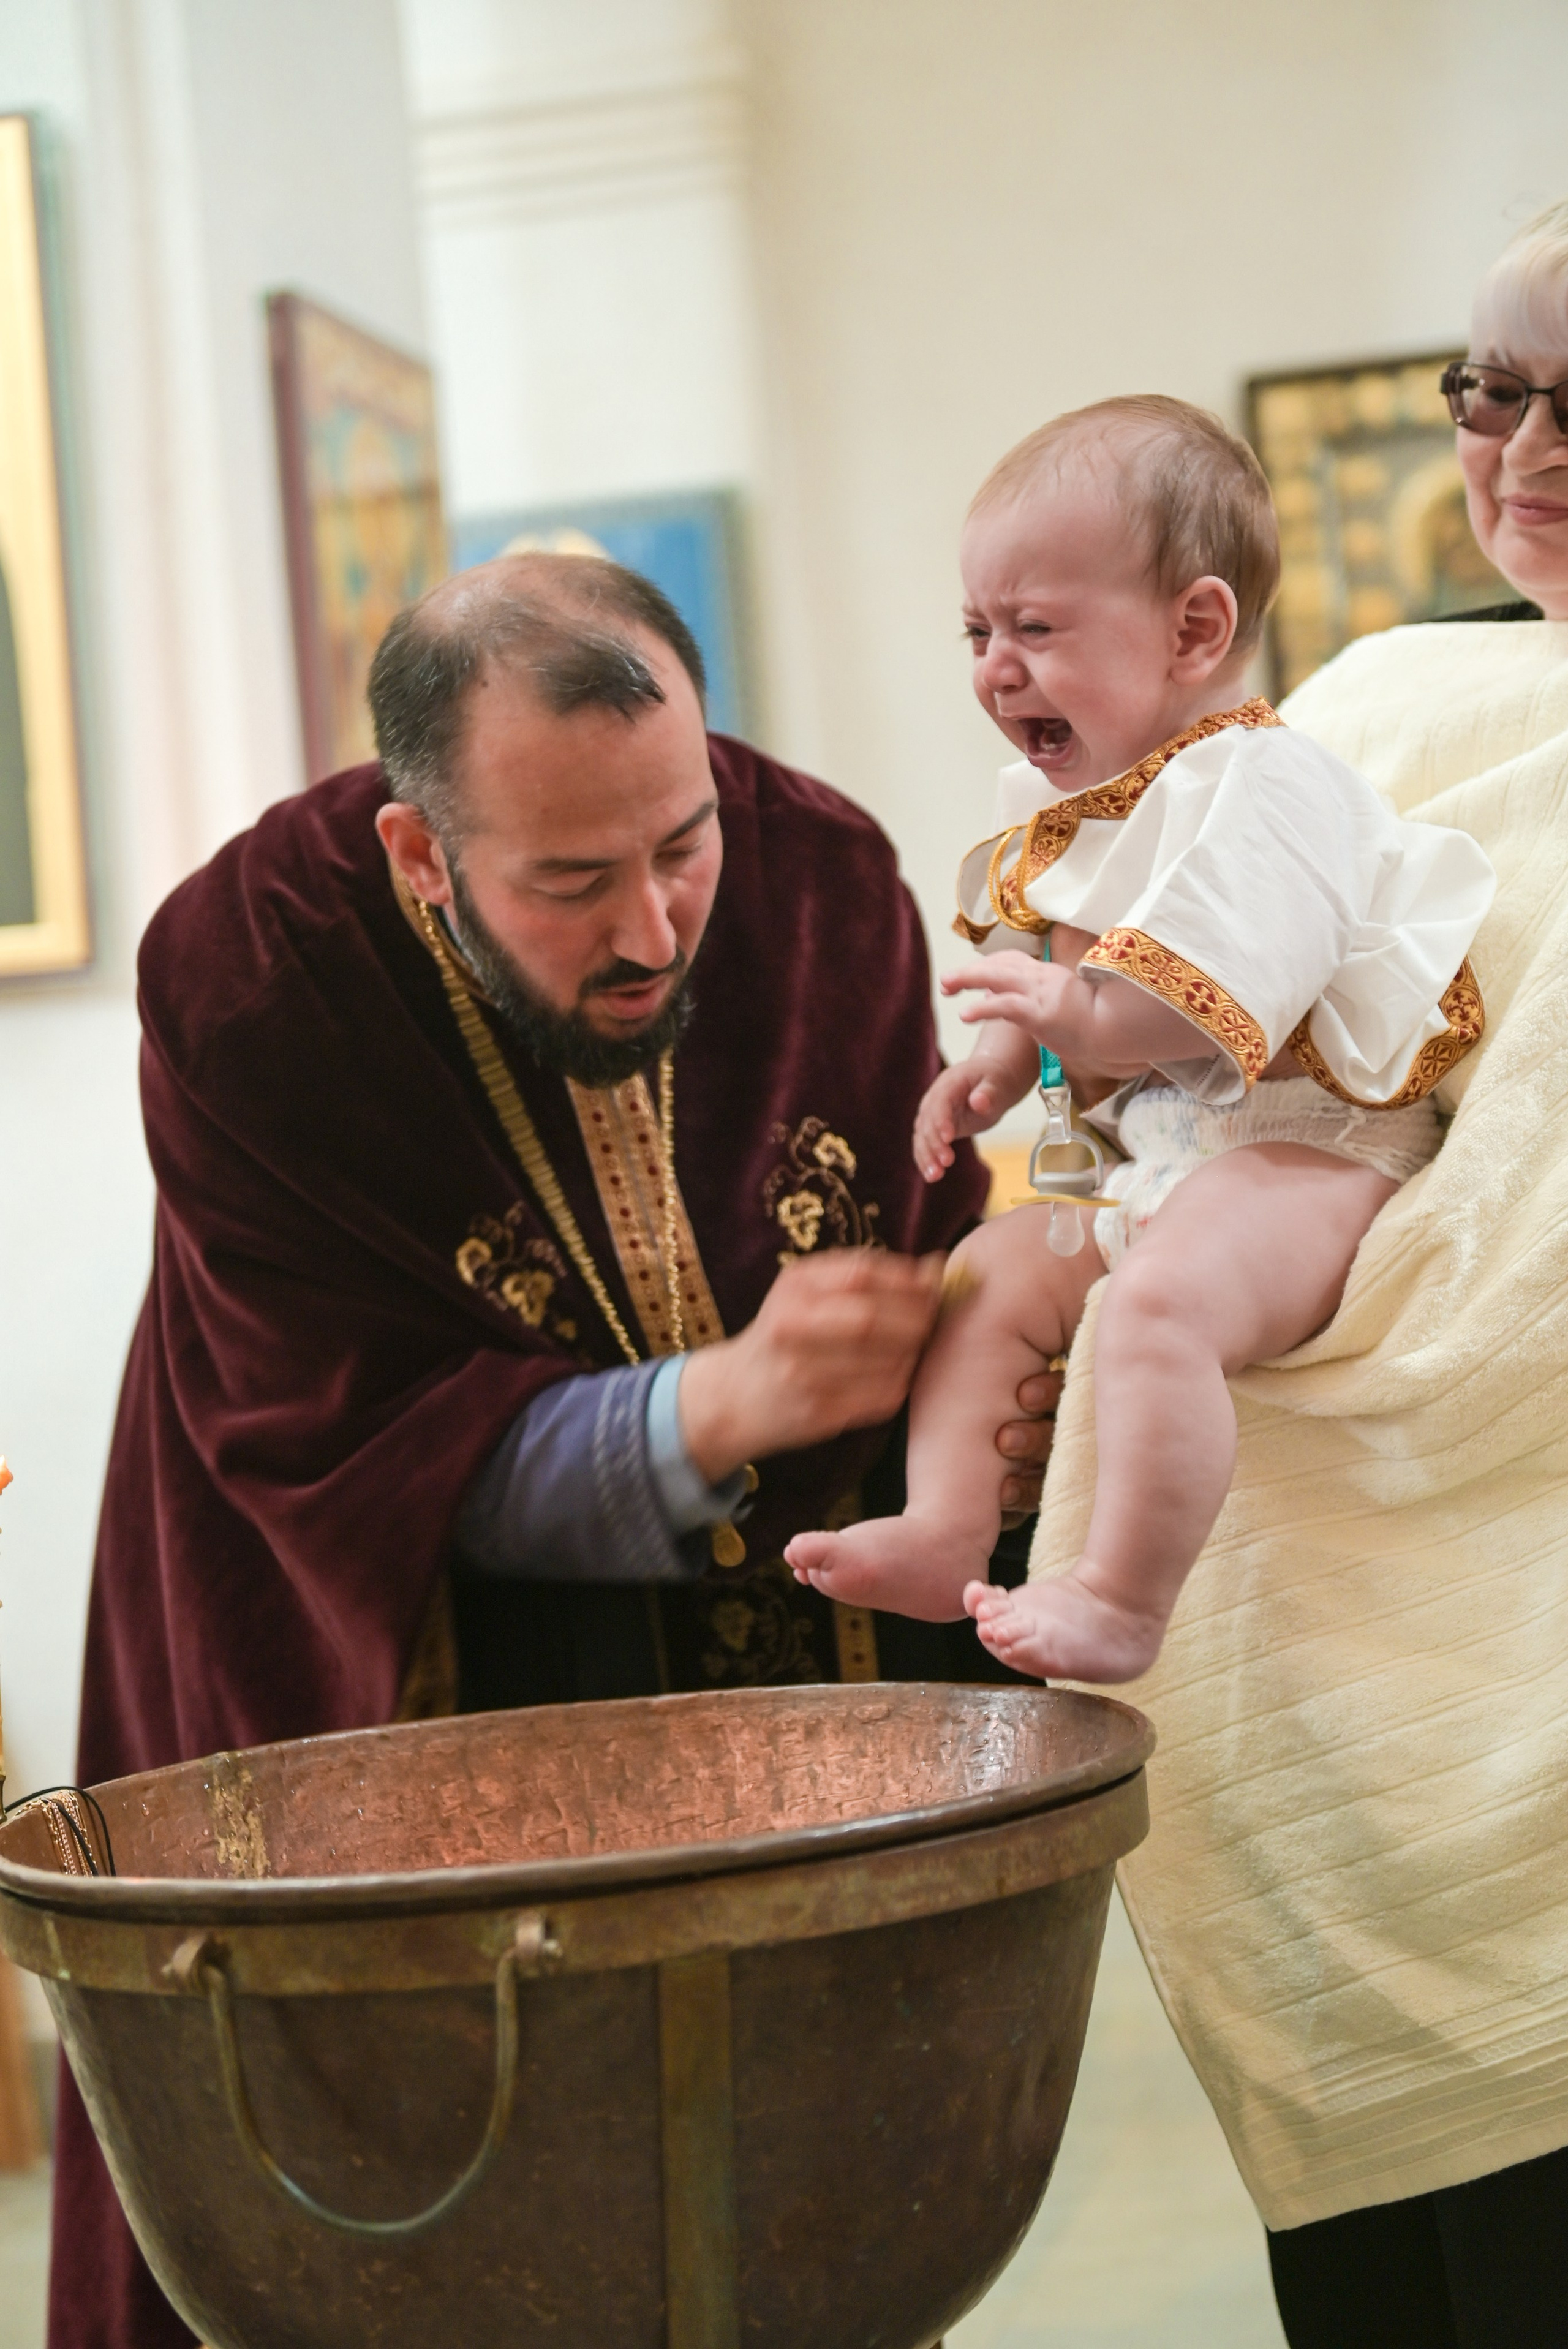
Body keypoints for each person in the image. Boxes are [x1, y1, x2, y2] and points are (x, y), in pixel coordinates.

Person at [51, 552, 1055, 2349]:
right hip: (407, 1706)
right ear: (422, 855)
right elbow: (352, 1453)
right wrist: (721, 1405)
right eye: (572, 882)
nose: (661, 929)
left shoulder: (818, 875)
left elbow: (930, 1229)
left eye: (684, 841)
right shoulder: (256, 979)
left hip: (775, 1717)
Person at [1024, 206, 1568, 2347]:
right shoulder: (1386, 700)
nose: (1516, 449)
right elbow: (1186, 1067)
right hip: (1336, 1663)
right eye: (1486, 388)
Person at [786, 397, 1494, 1684]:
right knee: (992, 1273)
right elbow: (1061, 963)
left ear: (1194, 630)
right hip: (1161, 1160)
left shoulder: (1267, 785)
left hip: (1314, 1152)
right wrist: (998, 1067)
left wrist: (1066, 1016)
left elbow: (1206, 994)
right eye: (976, 631)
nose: (995, 667)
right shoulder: (1089, 800)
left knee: (1157, 1306)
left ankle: (1121, 1592)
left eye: (1036, 628)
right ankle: (949, 1526)